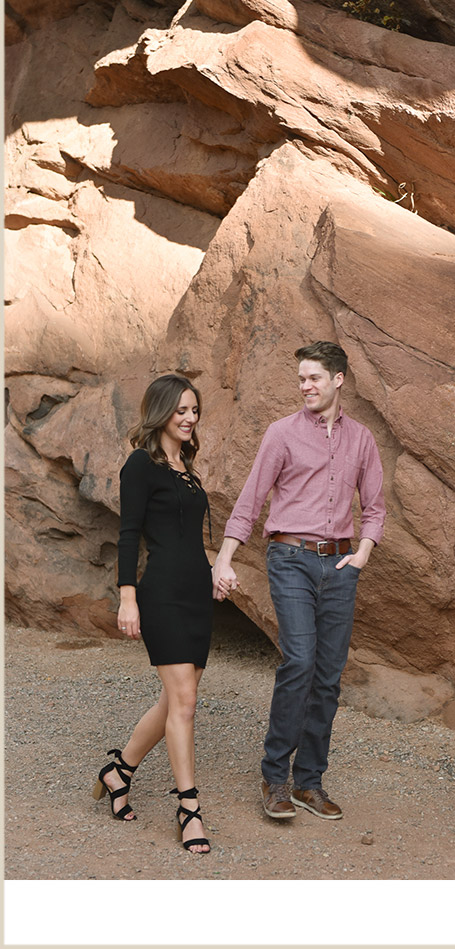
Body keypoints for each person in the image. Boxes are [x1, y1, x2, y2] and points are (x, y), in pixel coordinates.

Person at [213, 341, 385, 821]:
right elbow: (251, 498)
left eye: (314, 378)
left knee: (328, 676)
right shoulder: (281, 433)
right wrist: (224, 559)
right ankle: (275, 778)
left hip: (341, 564)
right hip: (290, 558)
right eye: (301, 379)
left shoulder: (362, 440)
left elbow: (374, 507)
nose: (305, 386)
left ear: (338, 380)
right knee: (300, 662)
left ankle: (309, 782)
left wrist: (362, 554)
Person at [94, 373, 217, 853]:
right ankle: (189, 808)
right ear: (161, 412)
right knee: (184, 702)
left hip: (197, 593)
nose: (190, 418)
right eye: (181, 410)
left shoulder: (186, 466)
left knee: (174, 701)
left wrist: (215, 572)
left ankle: (118, 771)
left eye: (194, 410)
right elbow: (129, 534)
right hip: (162, 594)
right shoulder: (140, 465)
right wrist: (128, 597)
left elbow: (188, 539)